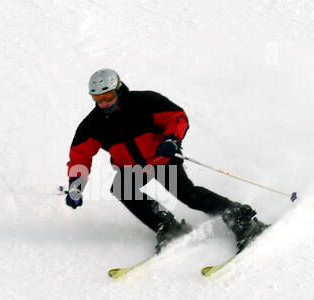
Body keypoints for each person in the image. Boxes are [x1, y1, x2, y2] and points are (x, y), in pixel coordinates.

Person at [65, 68, 258, 250]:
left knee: (187, 195)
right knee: (123, 189)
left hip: (162, 158)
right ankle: (167, 226)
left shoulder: (144, 102)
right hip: (132, 168)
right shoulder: (93, 124)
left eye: (108, 96)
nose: (104, 103)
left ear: (118, 89)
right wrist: (76, 185)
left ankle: (239, 217)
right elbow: (79, 156)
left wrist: (172, 139)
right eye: (98, 98)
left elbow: (176, 117)